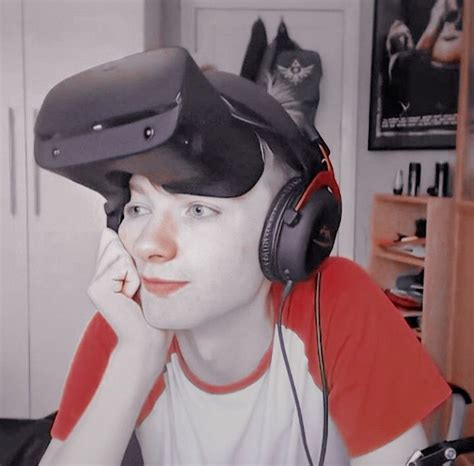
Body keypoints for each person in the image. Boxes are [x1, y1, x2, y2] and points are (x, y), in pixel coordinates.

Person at [36, 47, 451, 465]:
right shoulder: (128, 318)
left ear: (288, 229)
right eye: (139, 208)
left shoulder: (336, 302)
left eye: (198, 210)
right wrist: (134, 357)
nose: (148, 246)